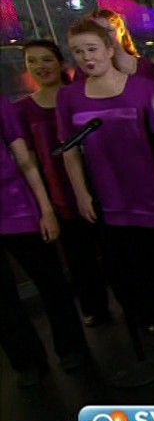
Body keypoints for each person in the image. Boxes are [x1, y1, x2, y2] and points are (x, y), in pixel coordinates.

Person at [58, 19, 154, 334]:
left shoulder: (143, 87)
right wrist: (81, 193)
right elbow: (69, 150)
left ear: (108, 49)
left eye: (92, 49)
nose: (87, 57)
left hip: (148, 188)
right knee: (121, 262)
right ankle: (142, 317)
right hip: (106, 193)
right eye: (78, 51)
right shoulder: (69, 97)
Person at [14, 40, 111, 327]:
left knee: (115, 252)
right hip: (60, 193)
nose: (40, 66)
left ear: (60, 62)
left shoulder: (82, 94)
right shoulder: (22, 109)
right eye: (33, 61)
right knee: (79, 258)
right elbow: (30, 160)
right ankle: (96, 309)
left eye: (47, 59)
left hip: (100, 184)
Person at [1, 96, 90, 386]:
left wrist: (46, 210)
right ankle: (27, 361)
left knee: (51, 282)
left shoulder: (2, 105)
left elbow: (25, 161)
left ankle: (72, 348)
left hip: (18, 208)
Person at [86, 9, 154, 82]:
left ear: (121, 30)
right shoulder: (87, 70)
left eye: (108, 30)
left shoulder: (146, 67)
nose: (104, 36)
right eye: (97, 33)